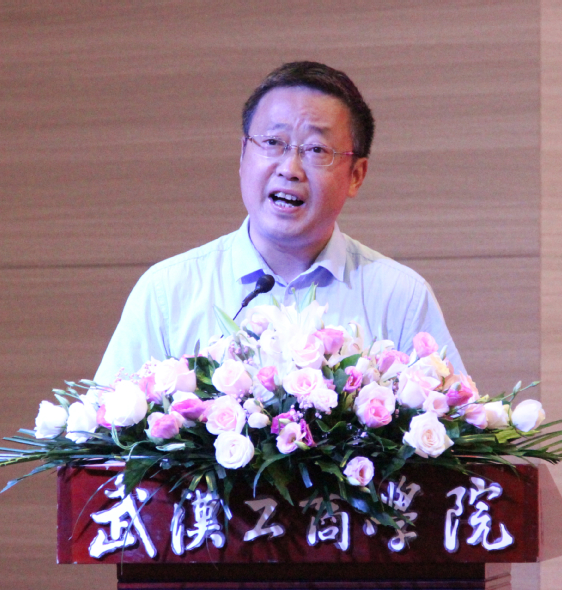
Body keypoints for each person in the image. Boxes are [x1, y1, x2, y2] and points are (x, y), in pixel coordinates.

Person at [94, 61, 464, 385]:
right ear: (243, 155)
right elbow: (103, 434)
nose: (290, 168)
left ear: (356, 175)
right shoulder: (168, 292)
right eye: (273, 142)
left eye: (316, 150)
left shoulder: (400, 297)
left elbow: (457, 431)